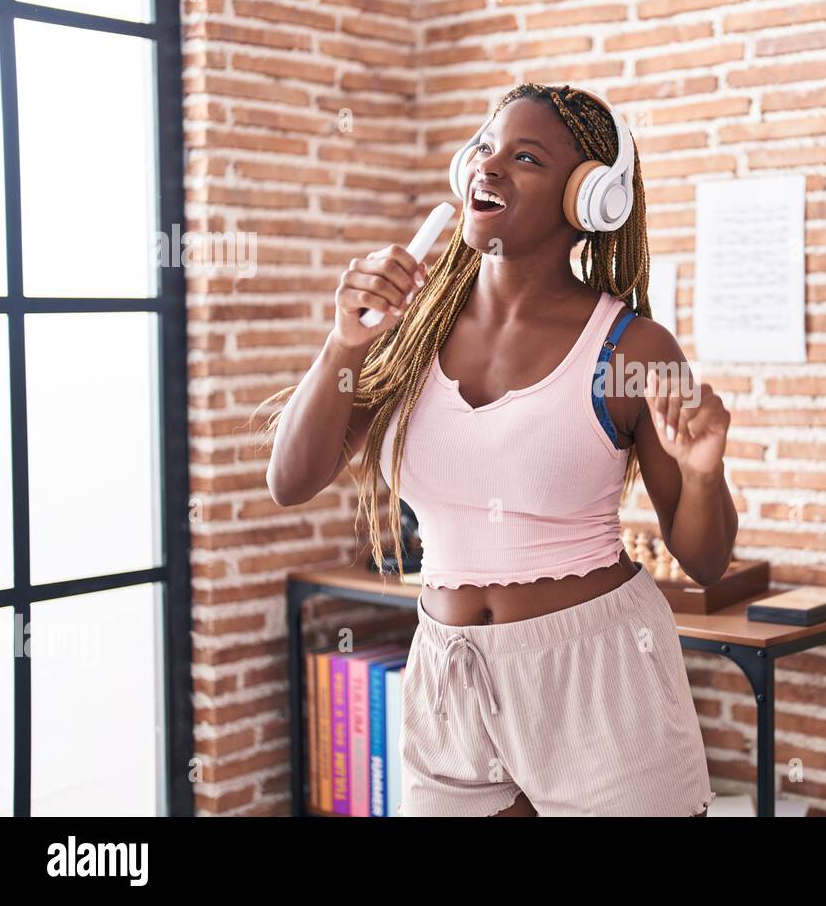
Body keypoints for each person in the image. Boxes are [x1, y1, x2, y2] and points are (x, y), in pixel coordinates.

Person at [260, 83, 738, 816]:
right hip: (446, 678)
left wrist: (705, 477)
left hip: (599, 683)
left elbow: (703, 561)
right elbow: (291, 479)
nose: (490, 167)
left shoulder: (635, 347)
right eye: (484, 147)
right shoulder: (406, 327)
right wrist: (342, 345)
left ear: (588, 201)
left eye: (526, 157)